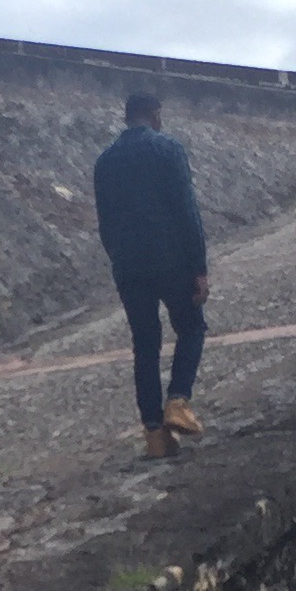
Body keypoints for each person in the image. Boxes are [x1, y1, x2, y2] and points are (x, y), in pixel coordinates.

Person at [92, 86, 208, 458]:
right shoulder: (168, 149)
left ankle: (155, 435)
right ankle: (178, 401)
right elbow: (186, 211)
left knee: (145, 344)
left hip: (129, 265)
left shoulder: (105, 161)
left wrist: (119, 259)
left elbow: (105, 223)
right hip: (171, 258)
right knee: (191, 327)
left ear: (126, 117)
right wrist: (199, 267)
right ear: (155, 114)